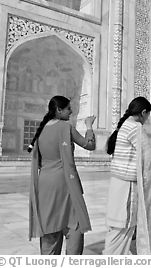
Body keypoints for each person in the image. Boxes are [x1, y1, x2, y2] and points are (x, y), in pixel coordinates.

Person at [28, 95, 96, 255]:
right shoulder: (66, 127)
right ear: (58, 110)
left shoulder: (41, 130)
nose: (71, 112)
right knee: (75, 227)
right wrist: (89, 126)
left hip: (45, 185)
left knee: (49, 230)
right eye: (68, 109)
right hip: (65, 184)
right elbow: (90, 145)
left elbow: (39, 161)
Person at [103, 97, 151, 255]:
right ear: (143, 112)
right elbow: (149, 156)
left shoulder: (124, 126)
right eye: (147, 116)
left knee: (116, 227)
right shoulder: (135, 127)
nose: (147, 120)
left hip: (117, 184)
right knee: (124, 226)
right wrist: (148, 184)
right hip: (127, 187)